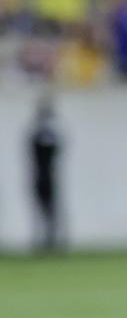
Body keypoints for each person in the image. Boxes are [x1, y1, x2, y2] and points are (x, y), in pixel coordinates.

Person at [28, 97, 62, 253]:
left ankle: (51, 241)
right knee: (44, 210)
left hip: (46, 176)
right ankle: (45, 241)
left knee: (50, 210)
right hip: (43, 176)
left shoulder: (42, 135)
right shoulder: (42, 135)